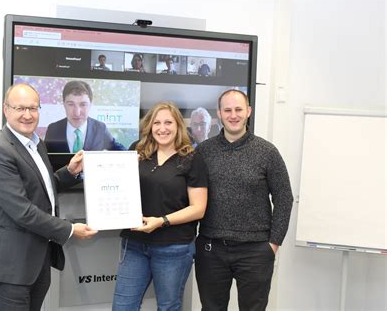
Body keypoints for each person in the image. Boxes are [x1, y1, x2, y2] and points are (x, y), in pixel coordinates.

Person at [0, 83, 98, 311]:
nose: (28, 115)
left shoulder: (35, 143)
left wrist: (70, 171)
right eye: (20, 108)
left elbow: (42, 189)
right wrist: (70, 230)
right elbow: (22, 210)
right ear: (6, 110)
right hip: (10, 266)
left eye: (33, 108)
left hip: (35, 260)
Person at [194, 89, 294, 311]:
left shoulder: (267, 152)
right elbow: (192, 197)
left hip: (256, 250)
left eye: (238, 109)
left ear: (248, 111)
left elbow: (284, 198)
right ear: (219, 113)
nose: (233, 115)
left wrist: (273, 244)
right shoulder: (203, 151)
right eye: (227, 110)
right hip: (212, 249)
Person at [112, 102, 208, 311]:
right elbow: (117, 188)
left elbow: (198, 208)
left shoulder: (191, 158)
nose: (162, 128)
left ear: (178, 126)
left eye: (168, 122)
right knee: (122, 306)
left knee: (168, 307)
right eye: (157, 123)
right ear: (149, 125)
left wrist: (162, 221)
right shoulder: (136, 151)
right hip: (135, 243)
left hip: (173, 247)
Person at [44, 80, 126, 153]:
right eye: (71, 104)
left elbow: (120, 151)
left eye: (83, 104)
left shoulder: (100, 128)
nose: (77, 113)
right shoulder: (53, 129)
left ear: (90, 105)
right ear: (64, 104)